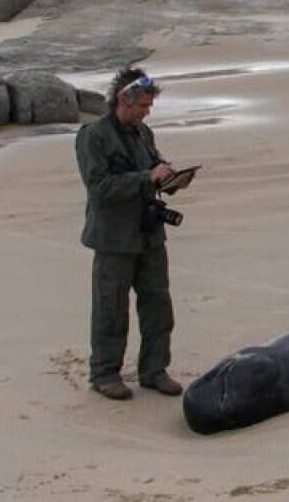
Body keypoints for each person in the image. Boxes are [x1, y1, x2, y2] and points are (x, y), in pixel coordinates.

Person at [74, 68, 182, 400]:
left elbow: (152, 172)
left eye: (149, 106)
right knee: (111, 308)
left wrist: (171, 179)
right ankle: (105, 373)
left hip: (148, 234)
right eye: (142, 106)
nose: (146, 112)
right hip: (113, 239)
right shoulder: (93, 136)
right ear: (123, 99)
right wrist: (146, 178)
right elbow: (100, 187)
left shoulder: (143, 133)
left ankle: (154, 370)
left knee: (158, 304)